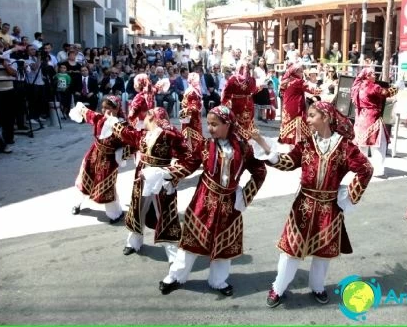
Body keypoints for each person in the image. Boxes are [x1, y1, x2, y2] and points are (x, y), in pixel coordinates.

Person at [250, 102, 371, 307]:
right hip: (303, 206)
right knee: (291, 251)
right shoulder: (306, 143)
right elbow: (287, 163)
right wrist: (261, 141)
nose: (307, 119)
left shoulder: (345, 147)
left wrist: (348, 195)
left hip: (329, 207)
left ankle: (317, 287)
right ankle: (278, 288)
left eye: (312, 115)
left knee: (322, 254)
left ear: (325, 117)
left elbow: (366, 169)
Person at [158, 105, 267, 296]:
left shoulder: (243, 148)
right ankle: (176, 276)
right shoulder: (205, 145)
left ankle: (218, 281)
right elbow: (190, 164)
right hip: (204, 200)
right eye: (208, 124)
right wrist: (169, 175)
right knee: (191, 241)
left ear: (228, 124)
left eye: (214, 124)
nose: (210, 128)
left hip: (229, 204)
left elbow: (260, 171)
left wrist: (245, 196)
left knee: (224, 244)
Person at [111, 107, 190, 259]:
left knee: (165, 213)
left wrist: (172, 175)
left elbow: (187, 156)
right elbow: (126, 134)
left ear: (151, 117)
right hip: (143, 176)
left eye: (145, 117)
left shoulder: (170, 135)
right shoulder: (143, 135)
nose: (143, 120)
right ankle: (133, 242)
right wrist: (113, 120)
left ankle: (173, 253)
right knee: (138, 207)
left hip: (161, 178)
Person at [68, 96, 126, 224]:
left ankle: (115, 214)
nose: (105, 110)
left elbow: (130, 142)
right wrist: (81, 109)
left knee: (107, 186)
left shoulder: (122, 125)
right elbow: (84, 111)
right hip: (93, 154)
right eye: (103, 107)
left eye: (109, 108)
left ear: (116, 109)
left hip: (109, 159)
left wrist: (121, 156)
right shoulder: (99, 118)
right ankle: (77, 204)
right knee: (84, 179)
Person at [351, 68, 398, 177]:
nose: (375, 75)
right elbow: (386, 93)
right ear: (366, 76)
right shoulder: (373, 87)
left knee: (361, 145)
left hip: (360, 118)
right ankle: (378, 170)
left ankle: (361, 168)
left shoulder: (357, 86)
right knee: (378, 145)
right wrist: (397, 88)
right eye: (372, 74)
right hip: (372, 118)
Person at [278, 63, 321, 145]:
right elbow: (312, 90)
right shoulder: (298, 81)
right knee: (298, 125)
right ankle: (297, 145)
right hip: (296, 107)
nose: (302, 73)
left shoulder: (285, 81)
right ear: (295, 72)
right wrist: (321, 89)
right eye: (301, 71)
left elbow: (282, 93)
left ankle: (288, 144)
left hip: (286, 107)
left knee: (288, 123)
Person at [221, 62, 258, 137]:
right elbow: (254, 90)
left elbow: (226, 92)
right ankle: (246, 138)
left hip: (237, 103)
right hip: (248, 103)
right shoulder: (250, 80)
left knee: (238, 121)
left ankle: (237, 138)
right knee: (247, 121)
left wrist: (225, 103)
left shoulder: (233, 79)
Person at [179, 72, 204, 151]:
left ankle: (193, 149)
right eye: (197, 80)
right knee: (192, 132)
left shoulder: (193, 90)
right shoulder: (192, 92)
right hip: (192, 117)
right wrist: (198, 105)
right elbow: (193, 106)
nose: (198, 82)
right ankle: (193, 150)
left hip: (191, 115)